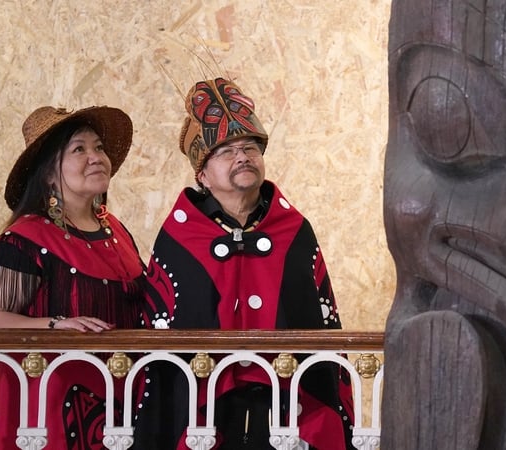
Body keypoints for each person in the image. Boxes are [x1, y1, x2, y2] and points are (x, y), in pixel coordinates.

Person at [133, 78, 354, 449]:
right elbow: (163, 331)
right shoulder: (179, 237)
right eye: (226, 151)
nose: (242, 157)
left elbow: (319, 315)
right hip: (203, 411)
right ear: (202, 175)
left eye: (251, 148)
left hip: (288, 407)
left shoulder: (294, 229)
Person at [0, 105, 147, 449]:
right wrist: (55, 325)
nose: (96, 157)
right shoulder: (26, 238)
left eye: (98, 147)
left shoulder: (117, 232)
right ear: (49, 173)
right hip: (55, 413)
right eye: (79, 149)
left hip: (124, 407)